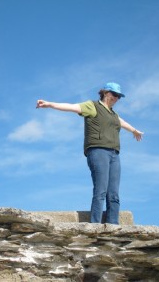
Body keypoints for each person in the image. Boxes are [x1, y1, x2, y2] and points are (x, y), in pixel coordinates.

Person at [36, 82, 143, 224]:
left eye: (119, 96)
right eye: (114, 94)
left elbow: (121, 122)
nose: (116, 98)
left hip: (114, 154)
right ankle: (95, 225)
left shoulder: (113, 114)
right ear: (105, 93)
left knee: (114, 194)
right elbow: (72, 107)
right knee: (101, 190)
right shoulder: (92, 106)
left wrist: (134, 130)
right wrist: (49, 104)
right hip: (98, 151)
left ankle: (113, 226)